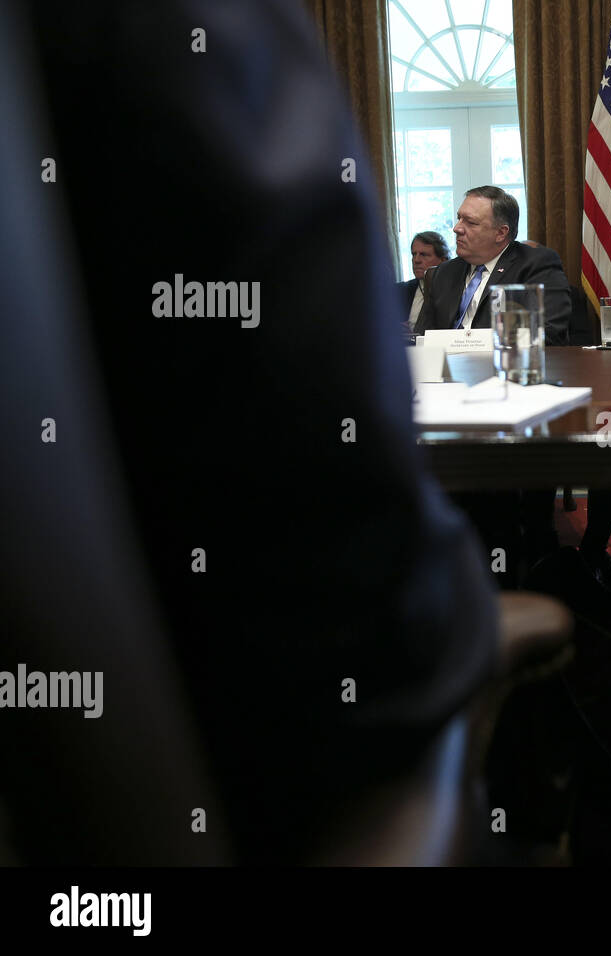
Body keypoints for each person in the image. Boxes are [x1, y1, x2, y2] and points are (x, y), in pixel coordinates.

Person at [16, 0, 498, 863]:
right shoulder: (188, 32)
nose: (453, 235)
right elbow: (330, 510)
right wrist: (471, 588)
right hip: (284, 757)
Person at [415, 187, 570, 345]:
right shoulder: (444, 272)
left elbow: (548, 332)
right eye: (459, 218)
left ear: (501, 233)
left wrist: (480, 345)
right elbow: (422, 336)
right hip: (446, 366)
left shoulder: (535, 265)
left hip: (501, 365)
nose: (457, 228)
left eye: (470, 222)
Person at [397, 230, 448, 329]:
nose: (416, 260)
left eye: (424, 255)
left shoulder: (455, 289)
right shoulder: (400, 290)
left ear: (443, 260)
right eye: (413, 254)